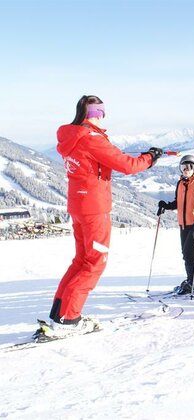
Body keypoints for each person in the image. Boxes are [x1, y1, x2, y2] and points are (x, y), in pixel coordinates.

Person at [49, 95, 162, 336]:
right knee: (94, 263)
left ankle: (60, 313)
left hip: (79, 206)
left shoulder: (72, 137)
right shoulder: (91, 138)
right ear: (97, 115)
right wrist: (150, 158)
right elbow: (128, 165)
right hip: (94, 208)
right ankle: (67, 319)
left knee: (81, 261)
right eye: (102, 114)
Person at [157, 154, 194, 294]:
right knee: (186, 253)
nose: (185, 169)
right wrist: (165, 205)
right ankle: (192, 279)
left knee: (189, 252)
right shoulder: (180, 183)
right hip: (183, 223)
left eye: (189, 167)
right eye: (183, 167)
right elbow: (178, 203)